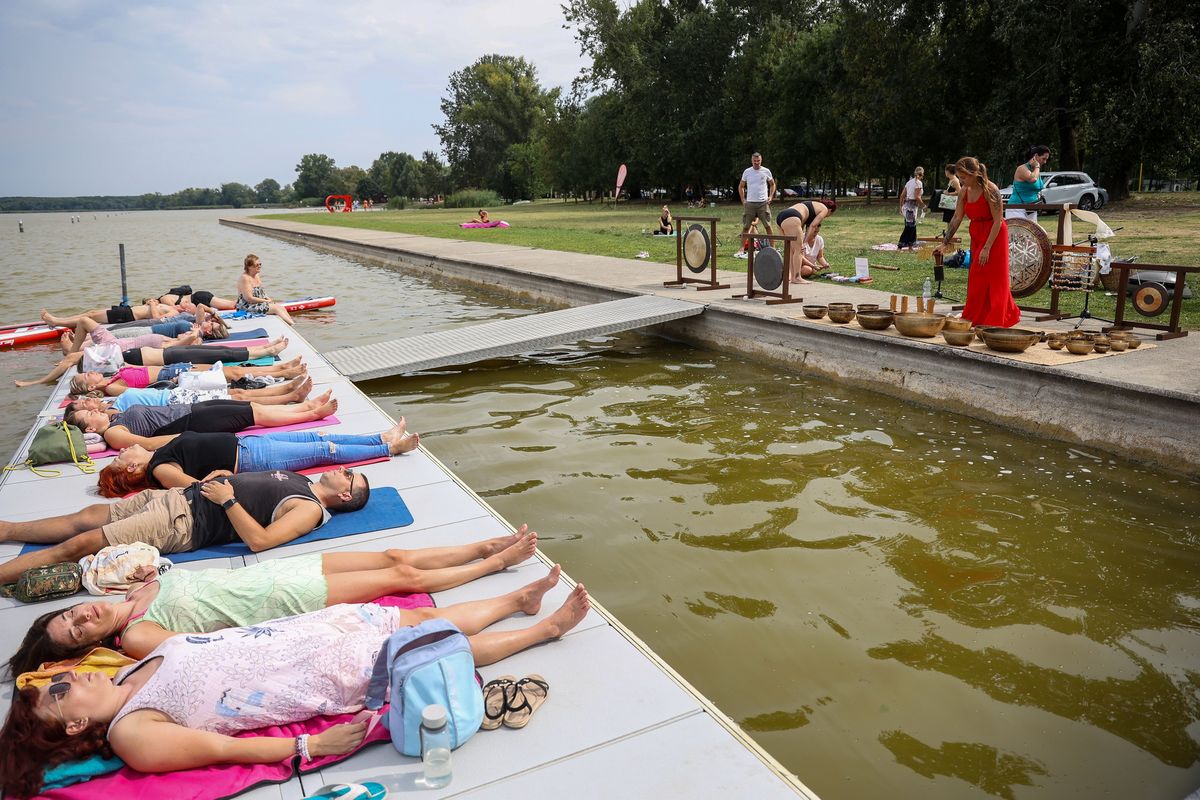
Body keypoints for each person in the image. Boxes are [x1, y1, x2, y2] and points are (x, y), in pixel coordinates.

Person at [0, 583, 590, 796]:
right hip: (318, 676)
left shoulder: (127, 667)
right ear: (74, 726)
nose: (70, 676)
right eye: (58, 694)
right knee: (429, 645)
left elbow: (191, 638)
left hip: (298, 634)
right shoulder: (133, 732)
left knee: (410, 622)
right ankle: (544, 629)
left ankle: (515, 601)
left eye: (58, 678)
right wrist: (313, 749)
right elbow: (228, 753)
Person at [6, 524, 539, 671]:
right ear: (92, 643)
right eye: (80, 630)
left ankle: (478, 545)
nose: (85, 614)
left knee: (394, 558)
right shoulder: (139, 634)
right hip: (290, 597)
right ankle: (496, 563)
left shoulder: (133, 588)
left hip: (284, 569)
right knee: (407, 581)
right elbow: (205, 650)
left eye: (73, 613)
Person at [0, 466, 368, 585]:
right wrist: (227, 479)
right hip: (181, 497)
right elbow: (258, 495)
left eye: (349, 476)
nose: (343, 470)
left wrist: (228, 499)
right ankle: (8, 530)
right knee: (85, 516)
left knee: (80, 544)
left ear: (346, 496)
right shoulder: (302, 481)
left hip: (184, 521)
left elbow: (261, 540)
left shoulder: (310, 508)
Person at [97, 422, 421, 496]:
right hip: (252, 459)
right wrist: (222, 476)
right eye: (120, 456)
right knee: (326, 452)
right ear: (131, 467)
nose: (123, 449)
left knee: (319, 437)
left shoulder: (159, 452)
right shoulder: (162, 468)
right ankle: (390, 450)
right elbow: (200, 489)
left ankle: (380, 437)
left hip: (250, 443)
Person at [62, 392, 337, 451]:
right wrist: (189, 438)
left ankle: (304, 405)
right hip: (195, 421)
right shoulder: (113, 433)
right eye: (89, 415)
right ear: (89, 428)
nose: (95, 411)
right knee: (257, 417)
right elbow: (147, 443)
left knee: (252, 406)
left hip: (193, 409)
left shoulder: (113, 416)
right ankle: (311, 415)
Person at [11, 333, 289, 388]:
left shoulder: (89, 357)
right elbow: (64, 364)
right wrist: (36, 381)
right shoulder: (81, 358)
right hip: (163, 358)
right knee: (219, 355)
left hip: (157, 356)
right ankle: (265, 349)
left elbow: (65, 363)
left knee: (220, 355)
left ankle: (265, 348)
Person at [935, 157, 1021, 328]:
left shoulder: (991, 190)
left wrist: (987, 248)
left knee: (996, 276)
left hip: (994, 235)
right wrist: (945, 242)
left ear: (974, 173)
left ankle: (997, 317)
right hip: (977, 234)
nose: (961, 180)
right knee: (977, 275)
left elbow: (998, 221)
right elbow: (957, 217)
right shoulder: (964, 191)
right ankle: (976, 316)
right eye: (960, 177)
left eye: (964, 177)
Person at [65, 357, 305, 397]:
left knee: (231, 370)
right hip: (176, 376)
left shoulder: (111, 377)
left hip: (174, 367)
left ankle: (281, 368)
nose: (93, 372)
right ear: (90, 386)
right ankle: (284, 372)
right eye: (89, 376)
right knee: (233, 374)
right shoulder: (111, 388)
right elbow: (144, 390)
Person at [775, 198, 838, 284]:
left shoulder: (811, 206)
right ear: (830, 210)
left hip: (781, 217)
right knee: (799, 250)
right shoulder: (824, 209)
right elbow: (813, 226)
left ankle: (790, 276)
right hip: (792, 216)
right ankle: (797, 277)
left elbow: (801, 226)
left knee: (790, 249)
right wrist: (804, 242)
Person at [734, 153, 776, 259]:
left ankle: (773, 248)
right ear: (751, 161)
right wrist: (743, 200)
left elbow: (772, 184)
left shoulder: (766, 171)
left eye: (758, 161)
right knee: (746, 227)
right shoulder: (747, 172)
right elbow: (741, 186)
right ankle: (741, 249)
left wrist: (771, 196)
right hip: (750, 203)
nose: (756, 163)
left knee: (768, 226)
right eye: (754, 161)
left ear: (761, 161)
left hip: (763, 203)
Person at [236, 254, 295, 325]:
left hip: (257, 303)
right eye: (257, 265)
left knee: (281, 307)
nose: (259, 266)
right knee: (276, 309)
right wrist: (266, 301)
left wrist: (269, 300)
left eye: (260, 264)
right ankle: (292, 324)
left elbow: (262, 292)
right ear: (249, 267)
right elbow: (248, 298)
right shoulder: (245, 278)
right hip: (246, 307)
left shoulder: (256, 275)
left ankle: (291, 323)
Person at [1006, 145, 1050, 222]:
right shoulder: (1022, 168)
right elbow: (1032, 179)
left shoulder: (1036, 170)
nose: (1045, 162)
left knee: (1032, 233)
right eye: (1043, 159)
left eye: (1046, 159)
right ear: (1036, 156)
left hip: (1031, 209)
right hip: (1017, 209)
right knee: (1019, 233)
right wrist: (1037, 166)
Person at [898, 166, 926, 250]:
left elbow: (902, 196)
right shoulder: (918, 183)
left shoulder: (909, 182)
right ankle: (901, 244)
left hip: (906, 206)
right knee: (909, 227)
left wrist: (900, 206)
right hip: (912, 207)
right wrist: (924, 206)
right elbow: (917, 197)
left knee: (912, 226)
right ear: (922, 174)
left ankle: (911, 245)